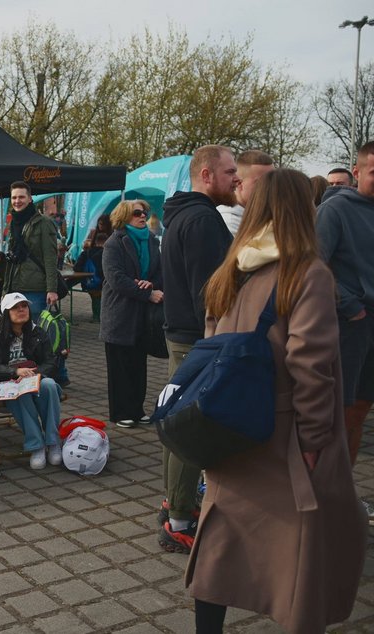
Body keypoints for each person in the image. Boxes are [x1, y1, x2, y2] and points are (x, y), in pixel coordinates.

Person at [190, 168, 365, 633]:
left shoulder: (231, 268)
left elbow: (209, 346)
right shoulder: (308, 273)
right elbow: (311, 366)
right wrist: (314, 440)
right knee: (300, 548)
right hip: (284, 434)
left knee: (221, 542)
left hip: (228, 425)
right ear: (304, 209)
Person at [158, 144, 237, 554]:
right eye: (229, 172)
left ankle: (176, 502)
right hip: (196, 339)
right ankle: (179, 521)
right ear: (206, 175)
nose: (236, 179)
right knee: (190, 429)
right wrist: (216, 342)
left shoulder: (182, 214)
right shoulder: (203, 220)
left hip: (182, 334)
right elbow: (209, 293)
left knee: (178, 424)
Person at [316, 139, 374, 528]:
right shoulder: (335, 210)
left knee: (360, 412)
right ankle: (324, 500)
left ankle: (342, 495)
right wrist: (350, 305)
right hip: (352, 326)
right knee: (340, 415)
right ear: (357, 171)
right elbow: (313, 263)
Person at [0, 292, 62, 469]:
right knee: (20, 393)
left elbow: (51, 362)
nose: (22, 310)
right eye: (15, 307)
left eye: (24, 306)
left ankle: (53, 441)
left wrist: (36, 374)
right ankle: (37, 445)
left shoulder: (38, 332)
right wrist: (14, 372)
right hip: (9, 383)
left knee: (49, 385)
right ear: (6, 313)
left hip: (35, 379)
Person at [99, 200, 163, 427]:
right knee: (120, 365)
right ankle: (120, 412)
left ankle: (137, 409)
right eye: (137, 213)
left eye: (144, 212)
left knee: (138, 363)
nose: (143, 216)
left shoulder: (152, 240)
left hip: (142, 314)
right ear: (124, 216)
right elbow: (116, 278)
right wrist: (147, 293)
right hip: (119, 312)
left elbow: (160, 272)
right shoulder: (114, 243)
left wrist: (151, 284)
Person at [2, 181, 60, 319]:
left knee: (34, 329)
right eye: (14, 197)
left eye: (21, 197)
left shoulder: (44, 223)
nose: (17, 201)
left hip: (35, 289)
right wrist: (5, 290)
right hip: (15, 288)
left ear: (30, 199)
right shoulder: (14, 223)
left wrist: (52, 290)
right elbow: (11, 259)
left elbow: (50, 258)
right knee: (17, 329)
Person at [216, 150, 275, 236]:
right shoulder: (229, 223)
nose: (270, 188)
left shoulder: (265, 218)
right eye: (262, 182)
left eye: (273, 182)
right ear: (239, 183)